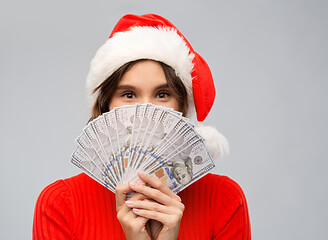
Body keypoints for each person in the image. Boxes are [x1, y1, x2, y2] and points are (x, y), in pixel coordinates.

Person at [33, 14, 251, 239]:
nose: (146, 112)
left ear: (183, 107)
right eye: (129, 94)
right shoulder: (60, 204)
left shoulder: (224, 199)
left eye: (162, 94)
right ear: (106, 106)